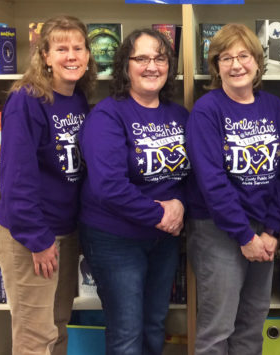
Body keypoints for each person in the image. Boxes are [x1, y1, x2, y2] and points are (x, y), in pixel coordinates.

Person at [78, 28, 190, 355]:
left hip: (164, 239)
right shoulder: (107, 115)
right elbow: (109, 186)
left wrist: (180, 205)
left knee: (154, 324)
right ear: (125, 65)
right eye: (141, 58)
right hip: (115, 239)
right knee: (126, 333)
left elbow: (189, 174)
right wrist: (161, 214)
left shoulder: (179, 115)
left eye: (159, 58)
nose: (151, 66)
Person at [0, 15, 96, 355]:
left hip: (65, 231)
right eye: (61, 48)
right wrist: (38, 239)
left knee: (58, 325)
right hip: (31, 234)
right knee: (35, 336)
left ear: (88, 55)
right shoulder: (28, 99)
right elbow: (16, 178)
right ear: (45, 56)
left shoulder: (77, 98)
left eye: (78, 48)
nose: (71, 56)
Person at [185, 23, 280, 355]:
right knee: (217, 329)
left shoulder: (273, 107)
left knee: (252, 324)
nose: (236, 65)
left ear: (257, 61)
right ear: (215, 66)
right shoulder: (207, 110)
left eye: (244, 55)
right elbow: (211, 181)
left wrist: (271, 229)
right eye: (225, 58)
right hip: (219, 231)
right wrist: (244, 236)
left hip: (263, 231)